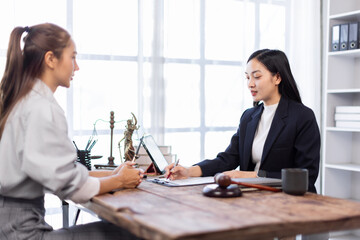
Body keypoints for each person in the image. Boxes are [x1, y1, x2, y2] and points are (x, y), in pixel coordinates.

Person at [0, 23, 144, 239]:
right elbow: (73, 189)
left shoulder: (21, 100)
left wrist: (113, 174)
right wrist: (120, 181)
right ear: (50, 59)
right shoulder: (42, 108)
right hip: (24, 234)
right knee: (132, 232)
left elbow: (57, 172)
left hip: (10, 228)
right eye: (72, 57)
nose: (76, 67)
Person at [165, 49, 320, 193]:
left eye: (257, 77)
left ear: (277, 78)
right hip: (253, 198)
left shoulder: (302, 116)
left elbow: (307, 176)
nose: (250, 84)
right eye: (247, 77)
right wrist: (188, 171)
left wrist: (255, 175)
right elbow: (228, 159)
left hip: (289, 199)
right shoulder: (249, 117)